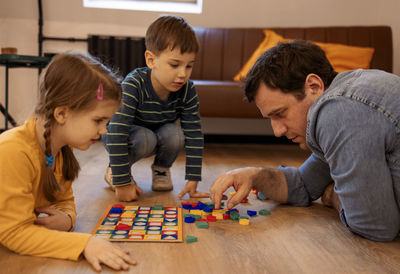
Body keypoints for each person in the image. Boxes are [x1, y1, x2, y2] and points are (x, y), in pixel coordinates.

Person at [210, 40, 400, 242]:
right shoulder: (344, 96)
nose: (277, 131)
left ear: (314, 86)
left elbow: (374, 226)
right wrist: (253, 175)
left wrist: (333, 196)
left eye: (280, 113)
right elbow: (304, 185)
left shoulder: (340, 111)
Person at [0, 53, 136, 271]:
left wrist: (67, 219)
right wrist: (85, 243)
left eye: (107, 122)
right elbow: (15, 232)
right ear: (62, 113)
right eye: (98, 120)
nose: (103, 131)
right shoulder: (12, 151)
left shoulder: (62, 150)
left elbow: (65, 201)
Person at [103, 15, 208, 202]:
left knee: (176, 135)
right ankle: (115, 170)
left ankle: (161, 169)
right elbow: (117, 130)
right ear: (151, 60)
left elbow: (194, 133)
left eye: (189, 66)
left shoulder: (187, 90)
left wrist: (193, 178)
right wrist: (122, 181)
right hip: (120, 135)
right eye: (174, 65)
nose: (183, 74)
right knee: (146, 138)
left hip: (156, 132)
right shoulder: (133, 84)